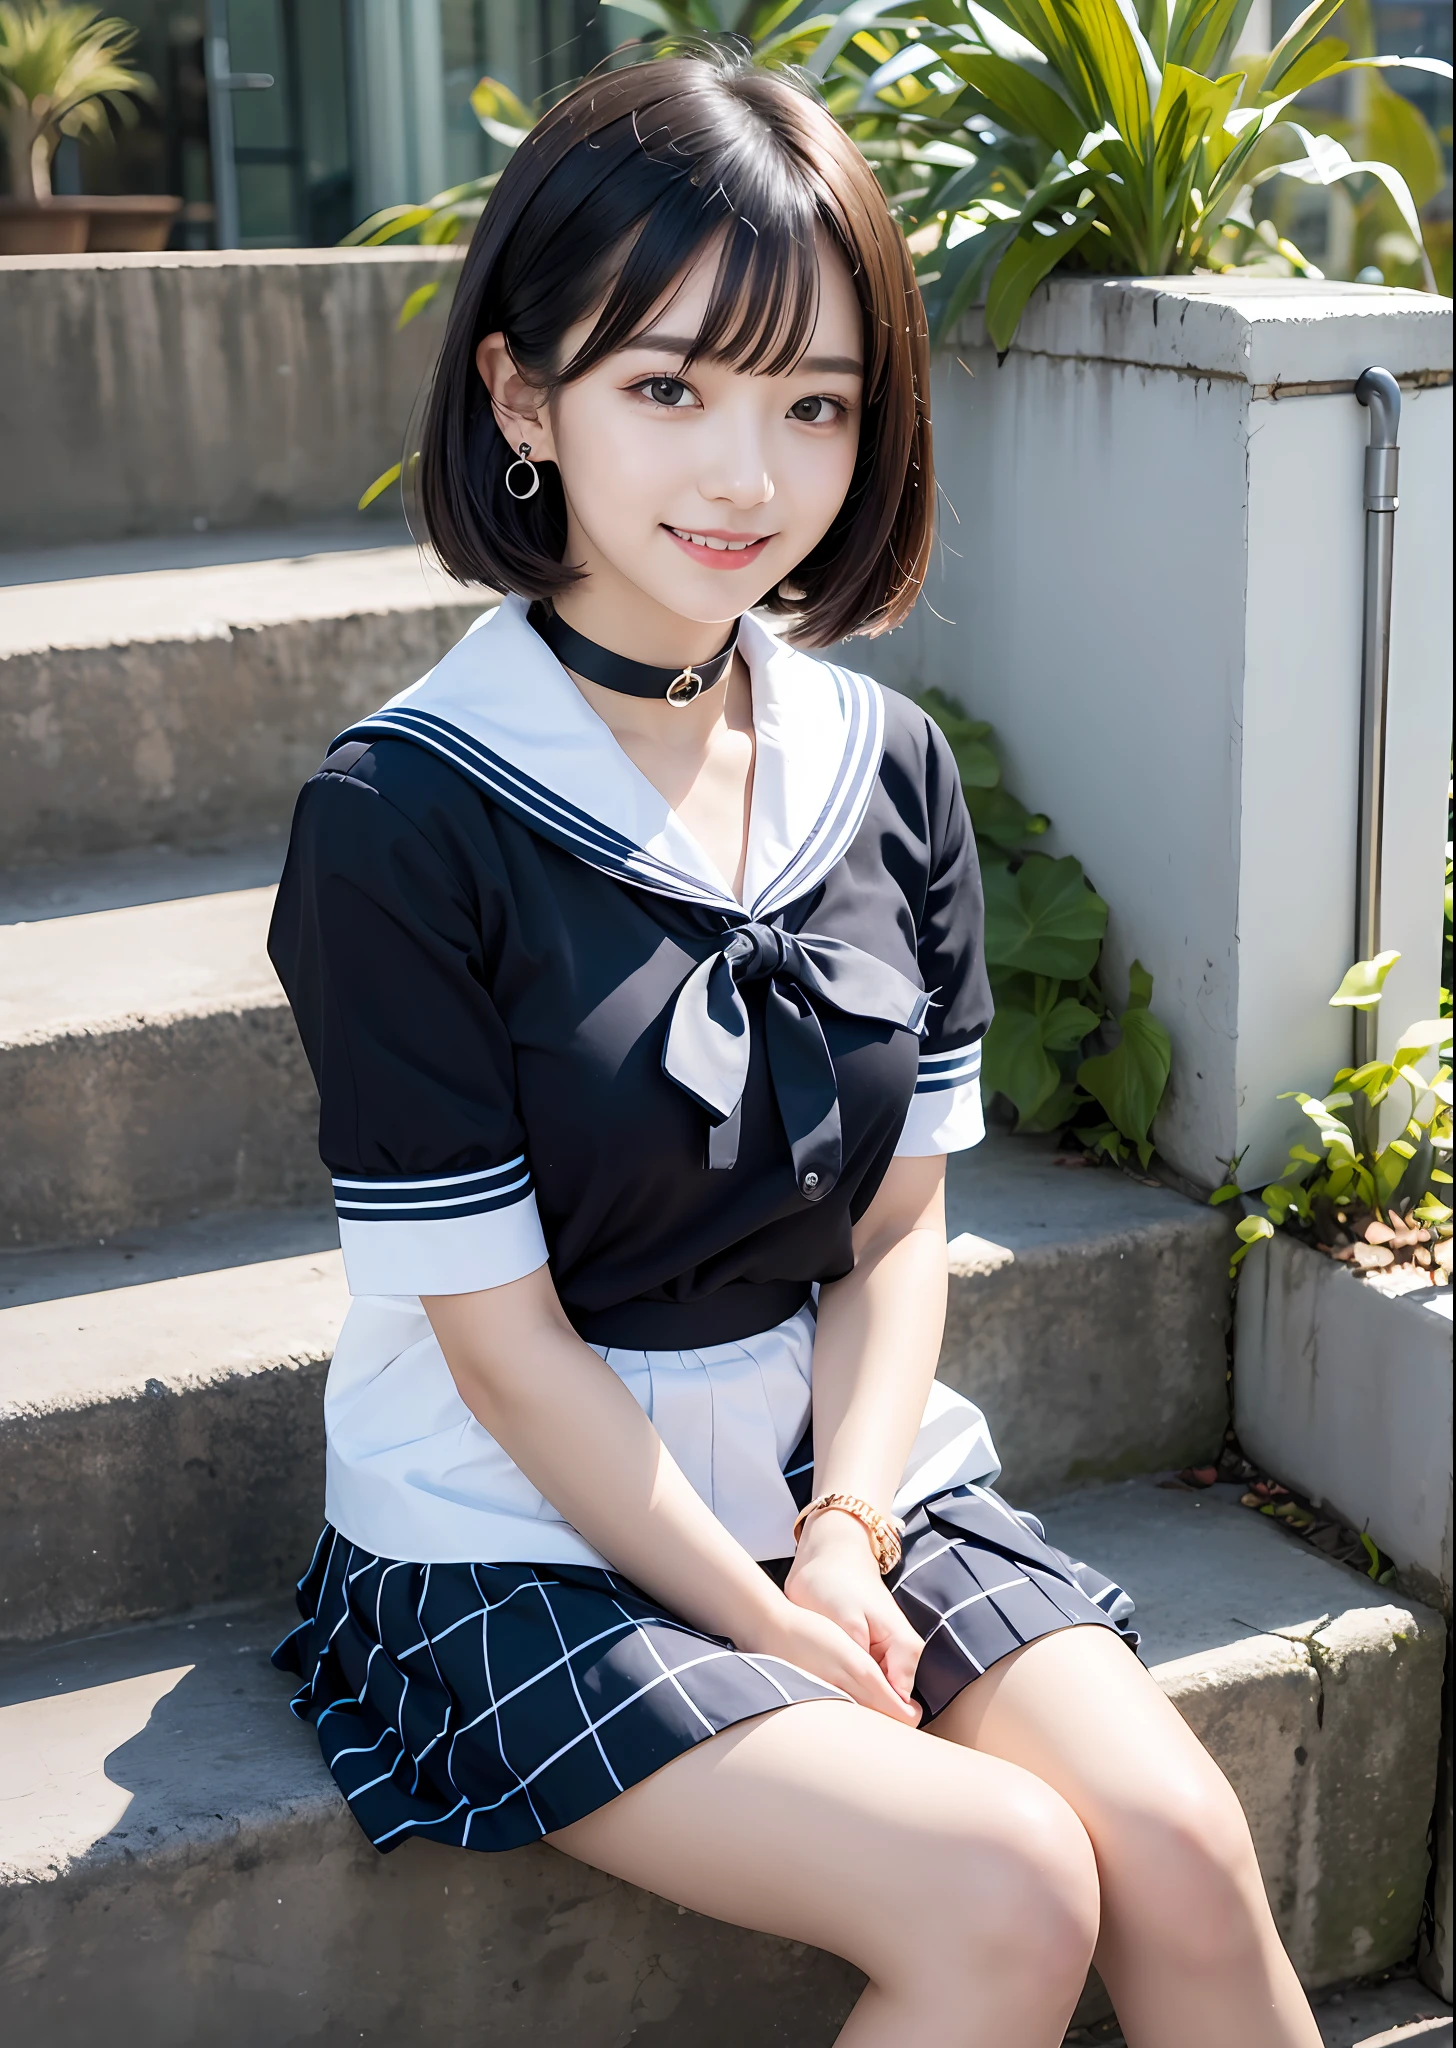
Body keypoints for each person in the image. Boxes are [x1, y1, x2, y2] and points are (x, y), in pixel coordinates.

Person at [268, 52, 1324, 2047]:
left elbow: (900, 1224)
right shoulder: (406, 817)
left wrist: (841, 1525)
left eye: (812, 403)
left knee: (1172, 1840)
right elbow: (497, 1353)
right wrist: (764, 1617)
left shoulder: (883, 764)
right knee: (1004, 1885)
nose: (744, 475)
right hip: (517, 1526)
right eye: (665, 387)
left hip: (835, 1472)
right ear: (519, 397)